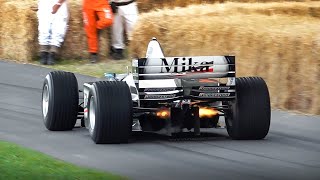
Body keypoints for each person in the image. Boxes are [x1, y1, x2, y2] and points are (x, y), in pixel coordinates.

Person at [36, 0, 69, 65]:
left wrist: (58, 3)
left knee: (58, 30)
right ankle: (43, 53)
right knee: (43, 29)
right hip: (44, 4)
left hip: (59, 5)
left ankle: (52, 54)